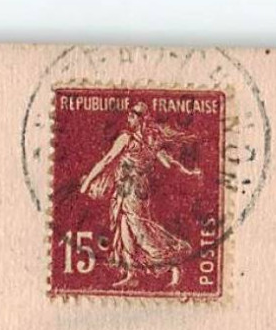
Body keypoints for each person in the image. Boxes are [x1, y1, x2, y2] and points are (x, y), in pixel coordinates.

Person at [78, 101, 202, 288]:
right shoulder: (152, 141)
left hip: (131, 190)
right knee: (124, 227)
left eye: (132, 116)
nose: (128, 119)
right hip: (129, 189)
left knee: (139, 228)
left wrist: (87, 183)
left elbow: (107, 160)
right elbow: (168, 163)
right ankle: (130, 273)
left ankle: (173, 262)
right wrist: (187, 171)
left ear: (139, 118)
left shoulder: (126, 139)